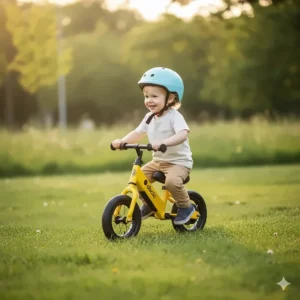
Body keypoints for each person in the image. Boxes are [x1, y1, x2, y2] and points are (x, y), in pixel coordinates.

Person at [111, 67, 194, 225]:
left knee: (171, 182)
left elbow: (183, 133)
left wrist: (164, 143)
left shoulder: (174, 117)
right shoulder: (149, 117)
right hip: (159, 162)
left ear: (170, 98)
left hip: (179, 162)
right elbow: (138, 133)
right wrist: (122, 141)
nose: (149, 100)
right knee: (139, 179)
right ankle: (149, 205)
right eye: (146, 96)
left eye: (154, 96)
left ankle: (185, 207)